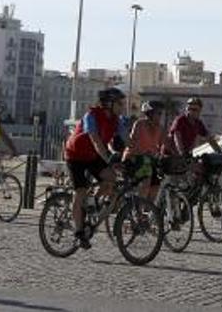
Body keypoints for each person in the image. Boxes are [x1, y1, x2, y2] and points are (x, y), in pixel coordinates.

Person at [63, 87, 125, 248]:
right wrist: (109, 159)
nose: (123, 106)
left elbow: (122, 141)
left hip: (92, 156)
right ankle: (78, 231)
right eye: (120, 103)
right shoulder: (91, 116)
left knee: (111, 178)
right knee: (81, 191)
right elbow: (96, 140)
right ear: (109, 104)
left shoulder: (116, 120)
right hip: (75, 155)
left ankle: (94, 203)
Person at [123, 100, 163, 201]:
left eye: (160, 113)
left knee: (156, 185)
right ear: (149, 114)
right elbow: (132, 142)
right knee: (146, 180)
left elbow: (165, 144)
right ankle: (139, 211)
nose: (160, 116)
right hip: (134, 159)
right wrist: (141, 152)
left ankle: (148, 209)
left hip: (149, 161)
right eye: (158, 113)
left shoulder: (160, 128)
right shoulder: (140, 124)